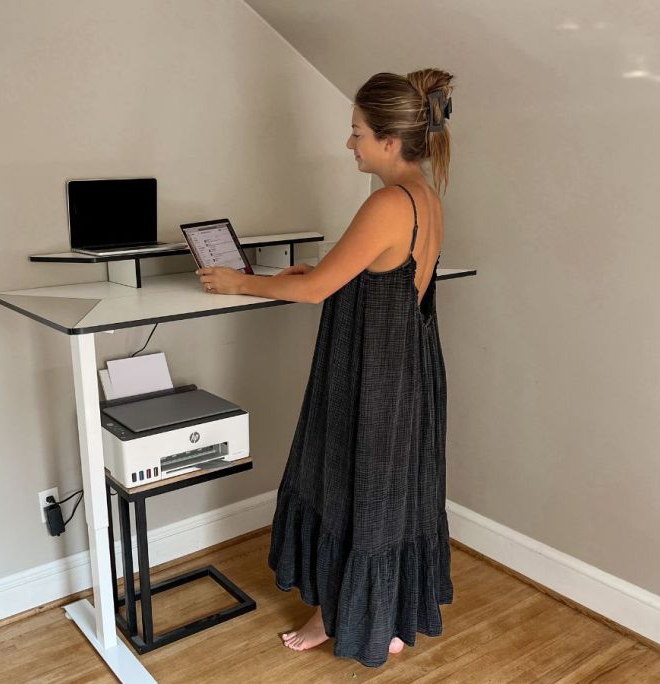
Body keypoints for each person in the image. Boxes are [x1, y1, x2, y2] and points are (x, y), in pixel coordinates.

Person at [196, 68, 455, 667]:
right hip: (406, 373)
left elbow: (318, 292)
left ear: (390, 141)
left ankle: (346, 617)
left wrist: (240, 282)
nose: (350, 144)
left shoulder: (389, 202)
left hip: (373, 378)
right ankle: (377, 614)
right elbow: (367, 278)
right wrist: (301, 278)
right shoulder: (423, 196)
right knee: (384, 495)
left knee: (350, 489)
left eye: (358, 133)